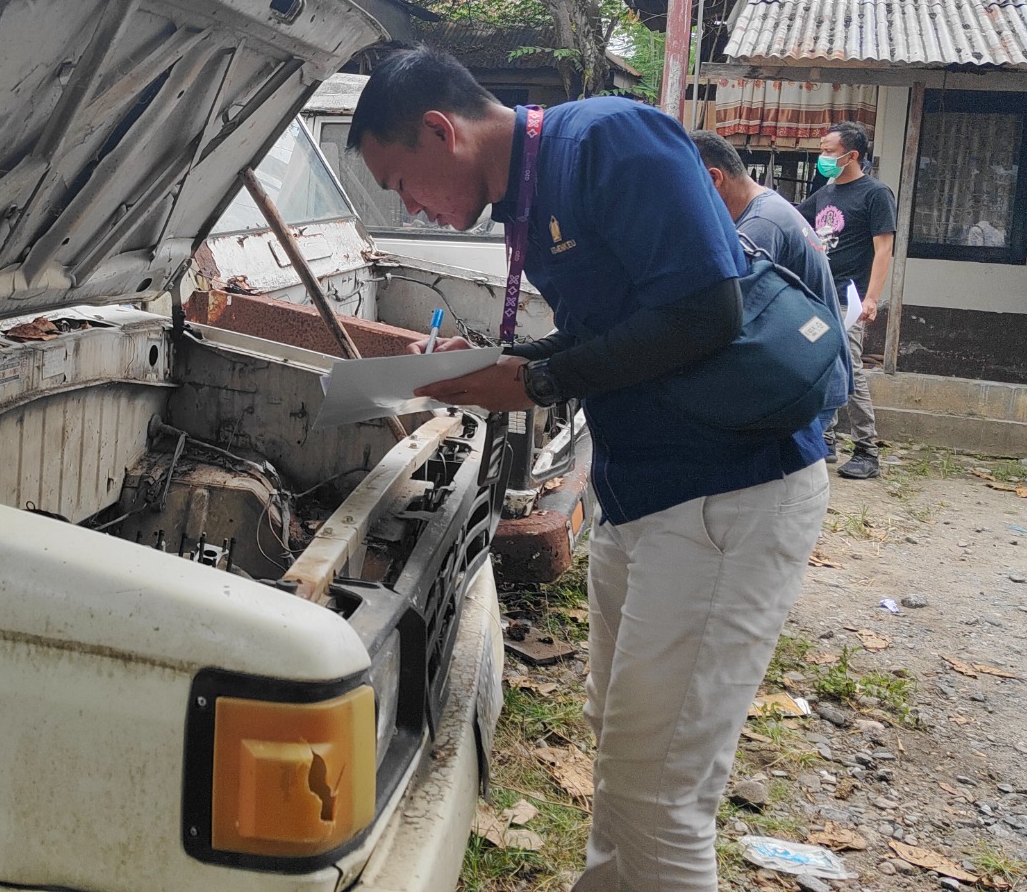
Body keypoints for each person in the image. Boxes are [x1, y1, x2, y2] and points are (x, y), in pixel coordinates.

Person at [348, 46, 829, 892]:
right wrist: (505, 359)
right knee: (625, 741)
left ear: (439, 130)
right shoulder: (532, 193)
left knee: (661, 791)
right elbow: (615, 330)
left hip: (727, 492)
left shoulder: (607, 139)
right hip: (645, 494)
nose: (407, 206)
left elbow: (706, 310)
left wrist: (533, 378)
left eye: (399, 183)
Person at [690, 130, 850, 437]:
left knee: (783, 479)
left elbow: (729, 314)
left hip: (806, 376)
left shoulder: (760, 227)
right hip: (817, 368)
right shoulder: (767, 205)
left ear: (714, 179)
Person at [797, 121, 896, 480]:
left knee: (850, 368)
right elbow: (795, 220)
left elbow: (884, 249)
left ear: (851, 155)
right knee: (818, 364)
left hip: (849, 300)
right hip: (819, 295)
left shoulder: (875, 194)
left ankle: (867, 450)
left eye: (828, 150)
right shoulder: (825, 193)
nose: (822, 156)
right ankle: (824, 440)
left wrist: (871, 299)